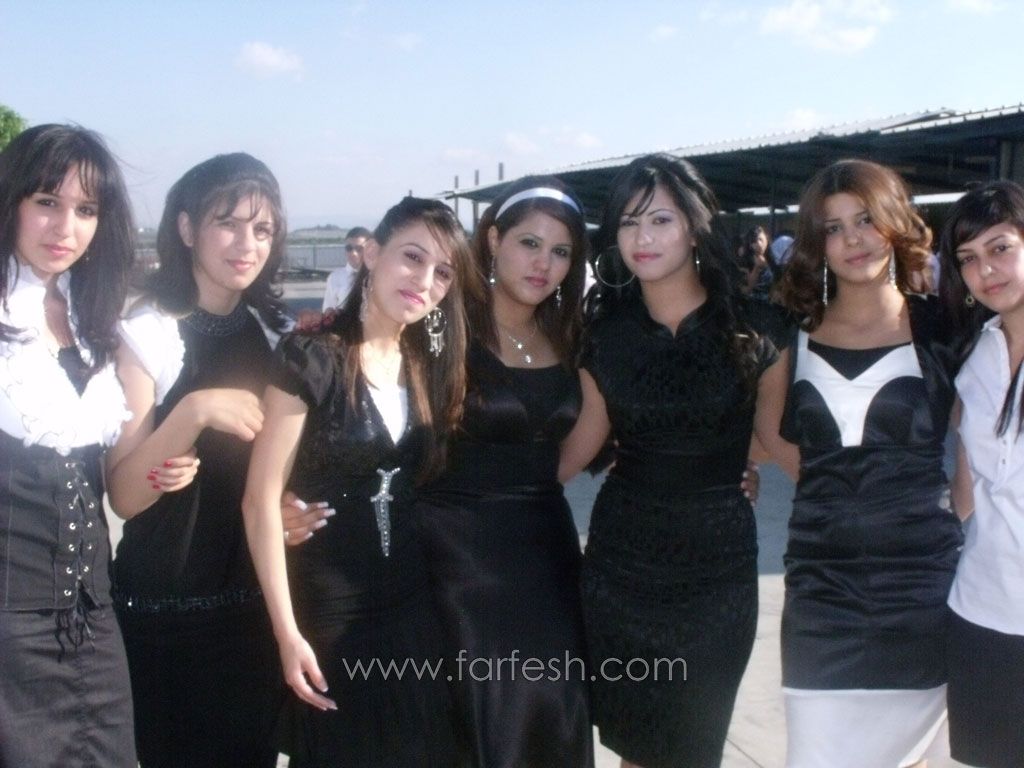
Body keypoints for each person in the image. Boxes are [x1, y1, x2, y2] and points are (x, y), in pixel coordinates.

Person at [558, 153, 794, 768]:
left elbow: (774, 438)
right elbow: (580, 444)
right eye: (629, 222)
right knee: (637, 749)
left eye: (660, 219)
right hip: (621, 568)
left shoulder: (759, 328)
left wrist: (732, 462)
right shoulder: (603, 334)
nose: (643, 237)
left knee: (691, 747)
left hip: (717, 573)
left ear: (694, 227)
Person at [242, 197, 470, 767]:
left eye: (443, 272)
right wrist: (287, 635)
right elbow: (259, 501)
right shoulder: (310, 358)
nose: (425, 281)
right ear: (370, 253)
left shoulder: (427, 365)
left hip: (413, 610)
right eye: (412, 257)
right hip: (330, 617)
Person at [776, 159, 963, 767]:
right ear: (816, 242)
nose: (853, 240)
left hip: (923, 593)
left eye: (865, 220)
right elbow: (764, 436)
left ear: (894, 222)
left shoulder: (943, 328)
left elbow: (983, 447)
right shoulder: (791, 334)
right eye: (833, 228)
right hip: (820, 597)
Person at [104, 153, 290, 767]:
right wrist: (193, 412)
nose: (246, 244)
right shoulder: (148, 331)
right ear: (186, 228)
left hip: (253, 611)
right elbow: (125, 497)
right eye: (227, 223)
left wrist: (288, 508)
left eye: (261, 229)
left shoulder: (274, 332)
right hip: (165, 617)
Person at [416, 176, 594, 767]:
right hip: (457, 560)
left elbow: (593, 436)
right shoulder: (441, 326)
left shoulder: (569, 336)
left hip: (547, 556)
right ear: (493, 240)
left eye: (561, 251)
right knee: (482, 721)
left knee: (552, 713)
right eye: (529, 243)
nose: (544, 264)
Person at [0, 124, 138, 766]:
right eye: (47, 202)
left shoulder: (94, 320)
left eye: (86, 209)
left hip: (92, 619)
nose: (66, 227)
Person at [939, 180, 1024, 768]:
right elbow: (967, 488)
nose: (985, 270)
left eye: (1001, 248)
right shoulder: (976, 356)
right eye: (968, 258)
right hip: (979, 614)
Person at [322, 225, 370, 310]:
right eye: (349, 248)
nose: (353, 253)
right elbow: (328, 309)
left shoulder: (377, 277)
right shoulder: (334, 277)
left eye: (359, 248)